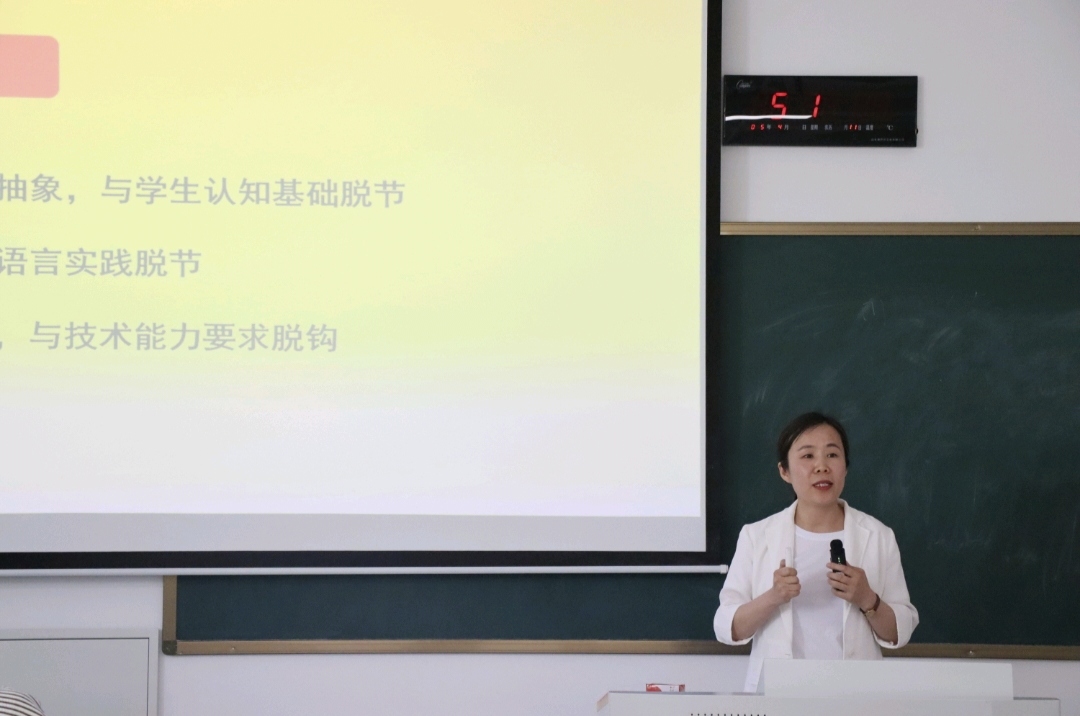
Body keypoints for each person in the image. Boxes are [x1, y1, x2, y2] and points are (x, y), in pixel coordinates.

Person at [713, 412, 918, 693]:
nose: (822, 466)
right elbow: (727, 628)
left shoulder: (878, 536)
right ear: (784, 471)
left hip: (856, 697)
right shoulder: (756, 536)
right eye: (807, 456)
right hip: (779, 696)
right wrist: (773, 597)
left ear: (845, 467)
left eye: (832, 455)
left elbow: (899, 633)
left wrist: (867, 599)